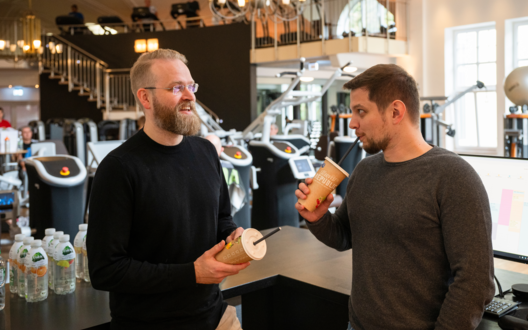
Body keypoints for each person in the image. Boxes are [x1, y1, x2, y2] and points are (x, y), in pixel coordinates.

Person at [295, 64, 495, 330]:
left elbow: (476, 281)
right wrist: (319, 219)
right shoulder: (365, 171)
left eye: (361, 112)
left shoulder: (454, 177)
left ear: (396, 111)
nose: (352, 123)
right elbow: (344, 235)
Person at [87, 49, 248, 330]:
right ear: (145, 97)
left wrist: (232, 235)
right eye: (176, 87)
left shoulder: (205, 153)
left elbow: (221, 218)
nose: (190, 96)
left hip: (217, 317)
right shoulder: (119, 168)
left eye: (191, 86)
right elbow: (106, 271)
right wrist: (193, 273)